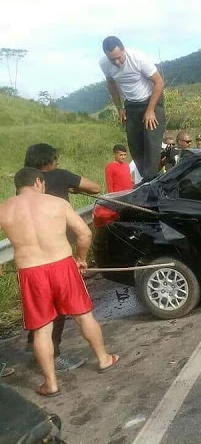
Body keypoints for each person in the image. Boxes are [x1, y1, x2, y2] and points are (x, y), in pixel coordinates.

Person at [0, 168, 119, 397]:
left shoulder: (4, 209)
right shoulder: (56, 204)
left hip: (31, 272)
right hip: (62, 266)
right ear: (38, 182)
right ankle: (103, 359)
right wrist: (81, 258)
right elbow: (84, 234)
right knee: (84, 316)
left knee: (42, 330)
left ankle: (51, 383)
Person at [22, 144, 101, 371]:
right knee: (64, 309)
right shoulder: (61, 175)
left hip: (31, 258)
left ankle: (34, 344)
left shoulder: (25, 185)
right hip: (59, 253)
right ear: (50, 160)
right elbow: (95, 188)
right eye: (55, 159)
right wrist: (81, 257)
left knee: (41, 308)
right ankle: (53, 354)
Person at [100, 36, 166, 182]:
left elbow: (159, 82)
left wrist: (150, 111)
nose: (117, 62)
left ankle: (151, 178)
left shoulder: (138, 58)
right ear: (106, 56)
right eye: (113, 59)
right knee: (134, 143)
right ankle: (147, 177)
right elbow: (111, 84)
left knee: (150, 139)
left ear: (123, 49)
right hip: (131, 104)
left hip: (151, 100)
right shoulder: (104, 64)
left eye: (119, 57)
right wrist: (119, 108)